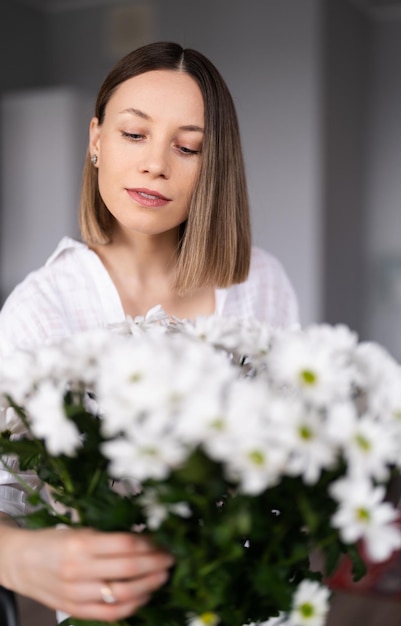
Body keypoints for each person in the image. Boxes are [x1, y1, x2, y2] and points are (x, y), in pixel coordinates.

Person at [0, 41, 299, 622]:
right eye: (133, 135)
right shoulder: (40, 312)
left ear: (214, 167)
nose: (155, 164)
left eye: (187, 147)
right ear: (95, 141)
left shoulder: (261, 283)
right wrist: (13, 556)